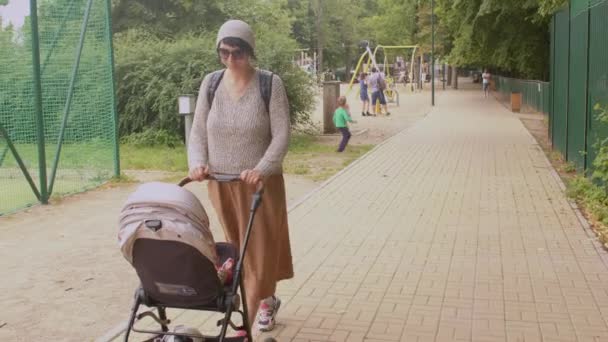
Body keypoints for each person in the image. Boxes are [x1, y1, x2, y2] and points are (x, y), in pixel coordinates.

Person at [187, 19, 293, 337]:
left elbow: (282, 134)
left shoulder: (269, 84)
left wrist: (262, 167)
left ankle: (252, 313)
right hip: (221, 183)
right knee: (237, 249)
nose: (231, 60)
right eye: (224, 52)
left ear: (250, 53)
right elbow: (198, 132)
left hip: (259, 184)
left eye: (238, 53)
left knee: (260, 248)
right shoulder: (211, 83)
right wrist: (197, 163)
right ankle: (266, 297)